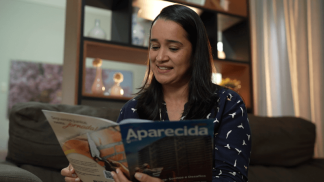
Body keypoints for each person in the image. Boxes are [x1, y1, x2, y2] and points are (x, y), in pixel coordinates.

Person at [61, 4, 251, 182]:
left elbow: (232, 177)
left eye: (173, 48)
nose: (160, 58)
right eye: (155, 46)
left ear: (195, 53)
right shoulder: (132, 109)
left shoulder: (228, 103)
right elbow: (115, 172)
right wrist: (83, 174)